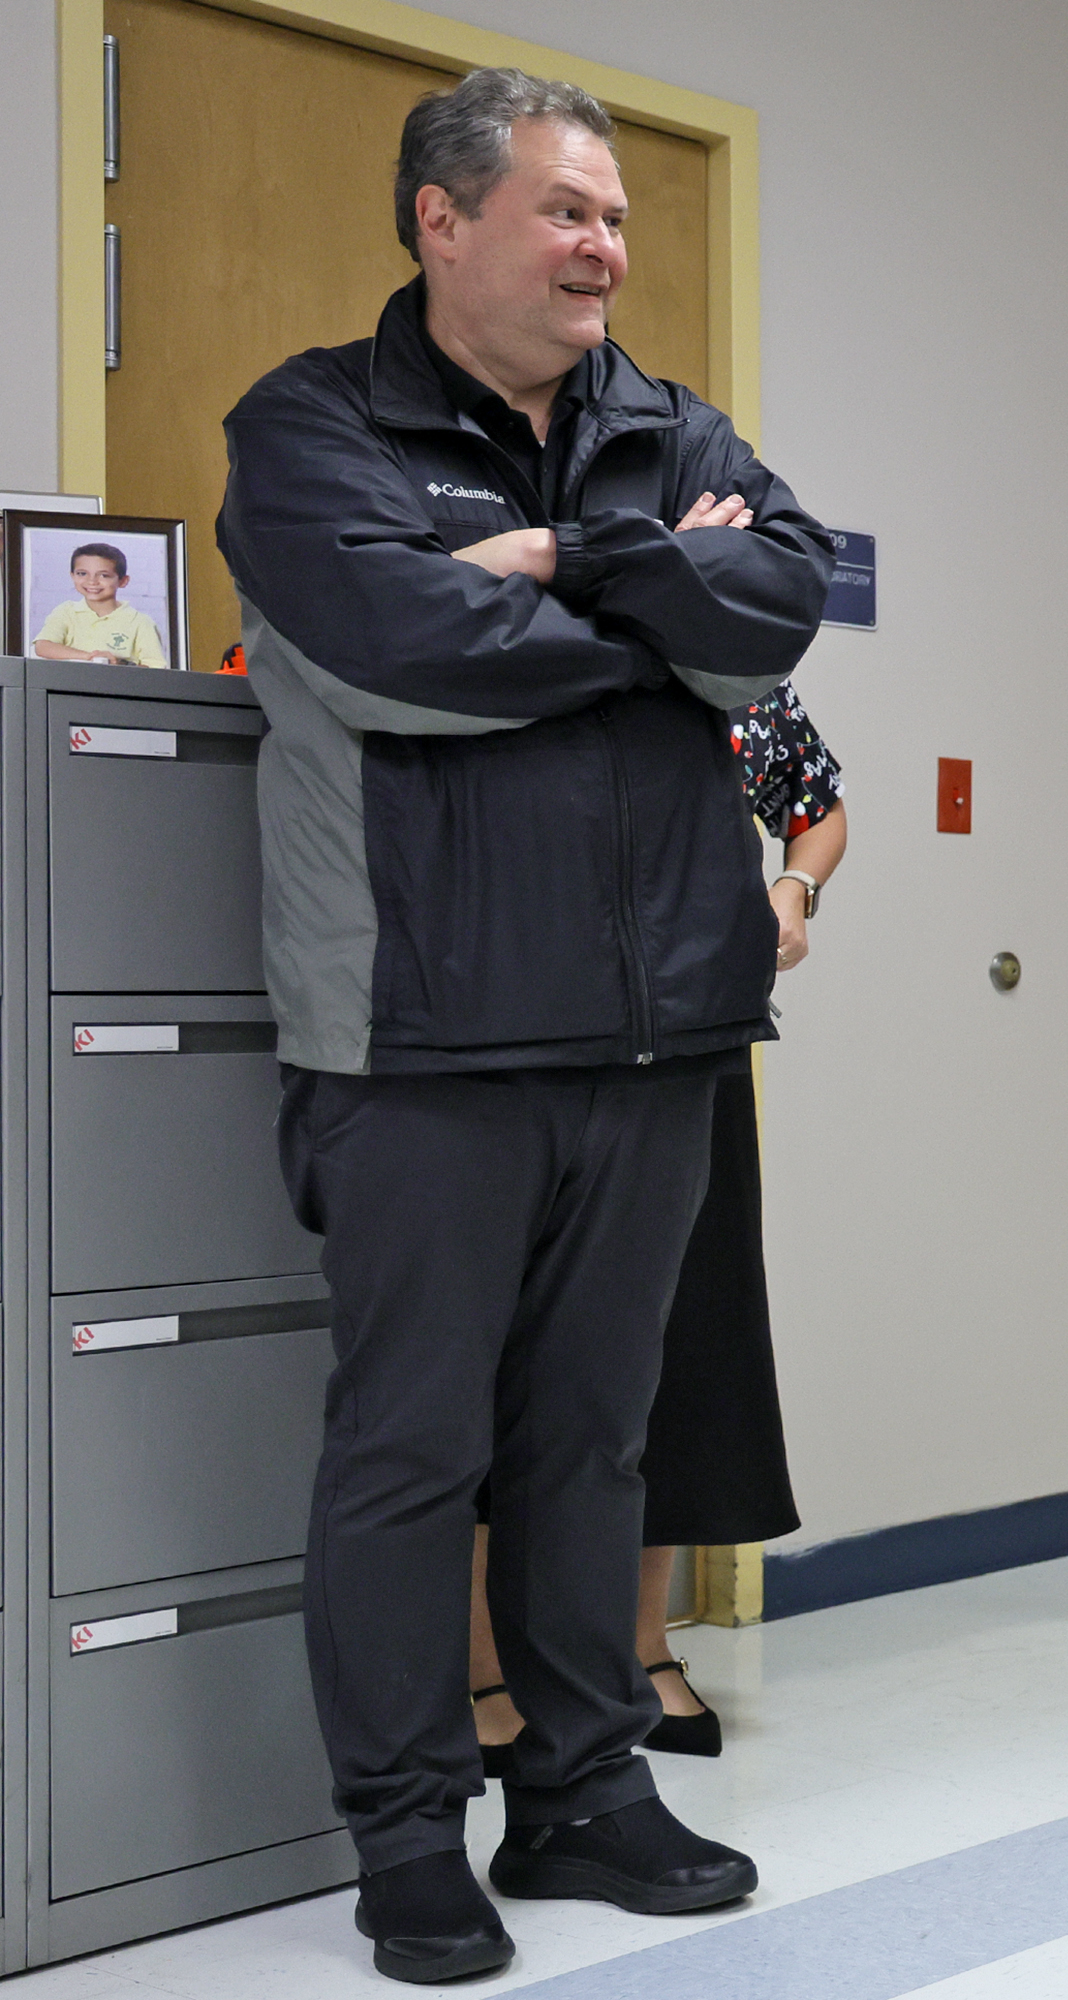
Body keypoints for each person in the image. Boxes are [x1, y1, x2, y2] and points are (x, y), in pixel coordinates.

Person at [217, 66, 832, 1986]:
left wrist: (568, 563)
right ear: (442, 218)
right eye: (568, 212)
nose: (605, 250)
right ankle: (410, 1834)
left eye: (619, 219)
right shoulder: (316, 427)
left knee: (593, 1444)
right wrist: (657, 594)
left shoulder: (669, 420)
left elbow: (786, 611)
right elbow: (408, 658)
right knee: (410, 1452)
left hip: (654, 1035)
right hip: (422, 1040)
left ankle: (585, 1794)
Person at [471, 683, 843, 1770]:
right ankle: (483, 1663)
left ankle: (644, 1646)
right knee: (508, 1341)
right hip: (526, 1032)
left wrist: (792, 889)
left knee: (680, 1335)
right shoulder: (531, 649)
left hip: (692, 1036)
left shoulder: (736, 688)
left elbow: (816, 803)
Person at [29, 541, 170, 666]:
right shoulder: (66, 611)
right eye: (82, 574)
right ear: (72, 576)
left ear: (123, 581)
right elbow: (43, 646)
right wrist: (91, 657)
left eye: (104, 575)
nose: (92, 581)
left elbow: (154, 667)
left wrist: (119, 665)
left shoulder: (140, 622)